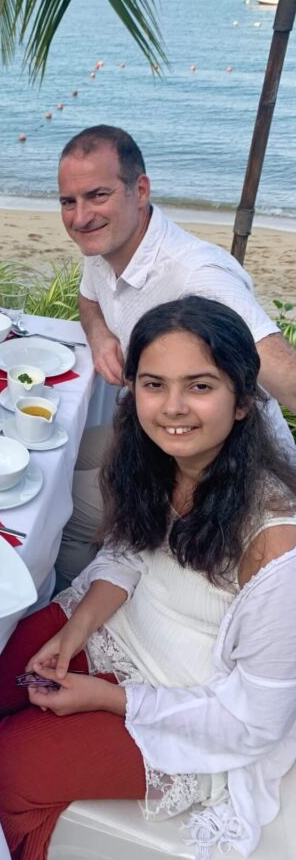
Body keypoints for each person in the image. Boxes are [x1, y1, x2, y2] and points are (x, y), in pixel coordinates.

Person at [0, 296, 296, 860]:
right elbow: (130, 552)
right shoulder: (155, 457)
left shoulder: (279, 549)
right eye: (154, 385)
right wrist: (74, 630)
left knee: (2, 769)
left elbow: (251, 723)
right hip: (115, 626)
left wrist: (107, 696)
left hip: (187, 708)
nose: (173, 408)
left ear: (243, 401)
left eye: (200, 386)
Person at [56, 124, 296, 584]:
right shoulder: (105, 242)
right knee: (63, 453)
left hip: (228, 471)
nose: (81, 217)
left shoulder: (197, 275)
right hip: (158, 439)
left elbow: (276, 363)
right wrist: (101, 335)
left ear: (139, 190)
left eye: (97, 196)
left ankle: (73, 606)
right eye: (69, 201)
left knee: (61, 504)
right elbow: (90, 299)